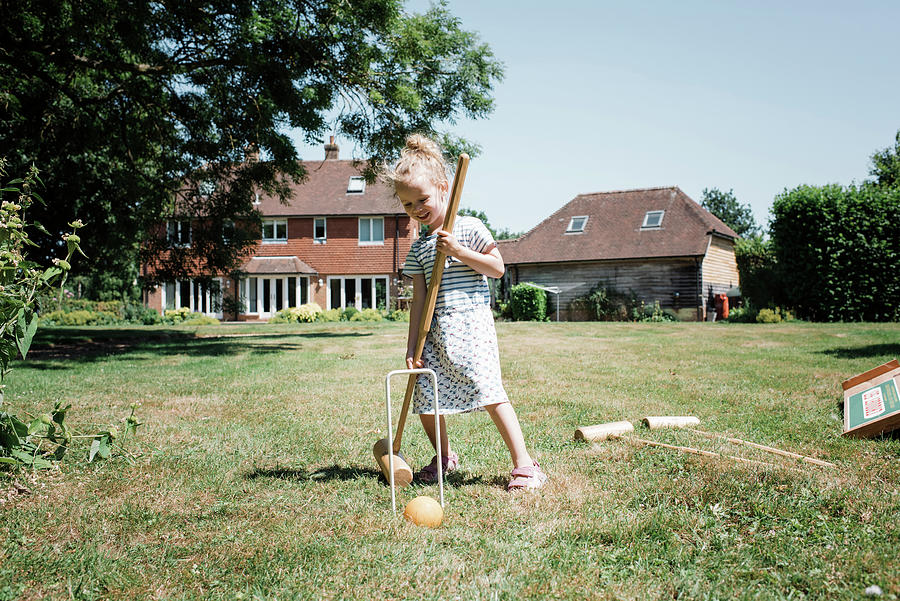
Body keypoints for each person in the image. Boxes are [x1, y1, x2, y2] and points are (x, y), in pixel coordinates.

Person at [382, 134, 547, 491]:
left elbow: (497, 268)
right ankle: (443, 458)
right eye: (408, 204)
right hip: (436, 333)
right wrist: (412, 347)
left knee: (489, 390)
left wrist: (458, 250)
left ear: (443, 188)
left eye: (422, 199)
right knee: (426, 397)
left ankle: (525, 465)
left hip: (471, 328)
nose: (416, 209)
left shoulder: (469, 228)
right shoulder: (421, 247)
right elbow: (419, 301)